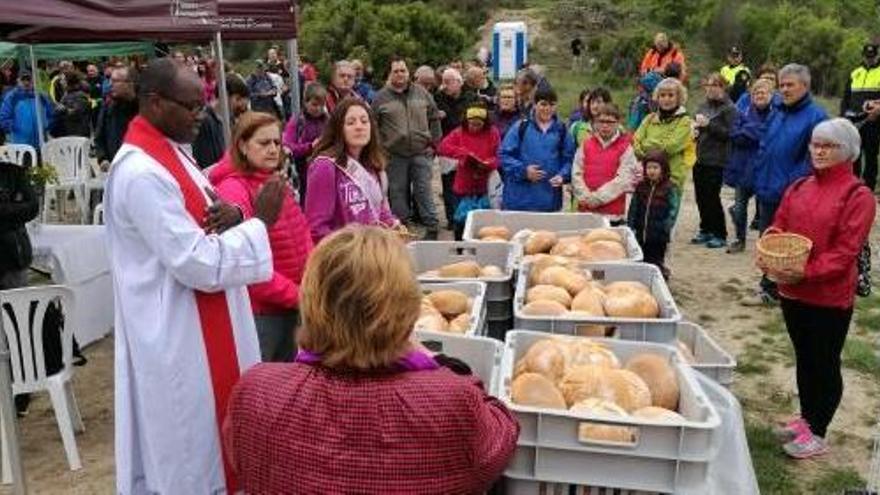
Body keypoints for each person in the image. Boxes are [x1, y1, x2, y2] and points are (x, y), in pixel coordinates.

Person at [104, 58, 286, 494]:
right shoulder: (140, 173)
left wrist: (239, 213)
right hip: (181, 336)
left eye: (202, 103)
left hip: (201, 325)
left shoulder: (168, 154)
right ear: (154, 102)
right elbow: (197, 262)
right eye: (191, 105)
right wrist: (260, 222)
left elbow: (201, 214)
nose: (201, 114)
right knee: (192, 455)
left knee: (216, 441)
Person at [225, 225, 519, 493]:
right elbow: (502, 435)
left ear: (311, 301)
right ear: (408, 307)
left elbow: (239, 456)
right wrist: (435, 359)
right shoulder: (452, 400)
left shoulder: (255, 391)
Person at [760, 118, 876, 459]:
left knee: (824, 363)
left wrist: (806, 272)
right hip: (793, 291)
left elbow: (845, 252)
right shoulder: (799, 187)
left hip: (828, 296)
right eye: (815, 144)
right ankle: (807, 419)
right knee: (804, 358)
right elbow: (780, 223)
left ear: (849, 152)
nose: (820, 151)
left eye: (829, 146)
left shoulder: (859, 195)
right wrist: (770, 239)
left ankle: (819, 431)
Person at [209, 112, 313, 362]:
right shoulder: (233, 189)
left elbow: (302, 234)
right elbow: (245, 263)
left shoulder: (274, 181)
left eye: (276, 143)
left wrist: (312, 280)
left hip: (291, 305)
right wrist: (299, 294)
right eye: (263, 143)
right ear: (243, 146)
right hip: (263, 313)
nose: (273, 149)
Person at [747, 64, 828, 306]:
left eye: (789, 84)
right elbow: (766, 144)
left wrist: (795, 187)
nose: (784, 89)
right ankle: (769, 286)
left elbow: (814, 159)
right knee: (768, 238)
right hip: (767, 186)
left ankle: (778, 290)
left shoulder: (817, 117)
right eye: (781, 85)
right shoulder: (777, 110)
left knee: (787, 244)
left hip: (792, 192)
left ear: (805, 86)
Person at [306, 98, 405, 243]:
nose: (359, 127)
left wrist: (394, 225)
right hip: (345, 258)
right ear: (338, 128)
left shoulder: (373, 166)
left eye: (364, 121)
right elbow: (316, 228)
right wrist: (351, 249)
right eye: (351, 122)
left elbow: (379, 210)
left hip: (373, 254)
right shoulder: (325, 167)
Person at [372, 57, 441, 240]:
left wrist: (434, 144)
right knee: (397, 192)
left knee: (424, 190)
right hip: (394, 155)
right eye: (396, 71)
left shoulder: (422, 93)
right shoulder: (380, 98)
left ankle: (432, 228)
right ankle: (401, 229)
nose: (400, 74)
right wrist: (380, 150)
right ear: (390, 74)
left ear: (409, 73)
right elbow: (373, 127)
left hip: (421, 152)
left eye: (403, 70)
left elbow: (434, 117)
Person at [499, 86, 575, 212]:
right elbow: (504, 155)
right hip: (518, 200)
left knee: (545, 232)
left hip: (549, 200)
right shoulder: (521, 127)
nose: (547, 109)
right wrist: (524, 171)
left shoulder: (562, 130)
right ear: (534, 105)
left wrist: (563, 175)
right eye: (543, 104)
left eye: (552, 104)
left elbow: (569, 159)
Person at [632, 77, 695, 226]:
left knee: (665, 222)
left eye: (671, 95)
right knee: (644, 219)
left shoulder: (685, 122)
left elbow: (672, 146)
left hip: (672, 178)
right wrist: (652, 147)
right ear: (657, 97)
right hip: (647, 177)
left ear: (679, 97)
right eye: (662, 95)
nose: (666, 99)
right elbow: (636, 143)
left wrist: (648, 146)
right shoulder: (649, 119)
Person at [725, 79, 775, 254]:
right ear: (751, 96)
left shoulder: (777, 114)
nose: (760, 95)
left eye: (764, 92)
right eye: (756, 93)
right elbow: (734, 134)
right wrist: (756, 131)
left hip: (764, 170)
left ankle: (764, 245)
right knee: (739, 209)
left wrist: (748, 130)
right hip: (742, 168)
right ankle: (740, 240)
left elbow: (770, 135)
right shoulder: (742, 111)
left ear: (771, 95)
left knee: (765, 212)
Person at [438, 101, 500, 239]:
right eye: (472, 124)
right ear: (466, 121)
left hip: (485, 185)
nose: (474, 127)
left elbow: (498, 155)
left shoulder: (492, 133)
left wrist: (489, 163)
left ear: (485, 123)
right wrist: (463, 154)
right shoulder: (459, 132)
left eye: (479, 124)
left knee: (483, 221)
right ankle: (459, 248)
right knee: (460, 220)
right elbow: (443, 147)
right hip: (464, 184)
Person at [572, 103, 640, 225]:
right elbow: (576, 172)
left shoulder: (625, 147)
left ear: (618, 123)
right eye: (601, 121)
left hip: (611, 213)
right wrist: (585, 196)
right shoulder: (586, 144)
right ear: (595, 122)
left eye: (610, 122)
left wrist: (598, 198)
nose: (605, 125)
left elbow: (624, 179)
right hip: (586, 210)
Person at [691, 73, 736, 249]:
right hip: (700, 156)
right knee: (700, 196)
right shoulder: (703, 105)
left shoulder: (729, 108)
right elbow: (698, 125)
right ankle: (705, 229)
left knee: (712, 197)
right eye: (708, 85)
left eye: (715, 85)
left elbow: (731, 134)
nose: (711, 88)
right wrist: (695, 130)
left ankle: (719, 233)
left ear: (723, 88)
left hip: (717, 160)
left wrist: (709, 125)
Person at [627, 149, 677, 278]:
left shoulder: (669, 188)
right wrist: (630, 225)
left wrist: (666, 226)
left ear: (663, 169)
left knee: (656, 260)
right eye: (649, 167)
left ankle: (659, 278)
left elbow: (673, 209)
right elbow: (633, 207)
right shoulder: (641, 186)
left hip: (658, 234)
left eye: (655, 167)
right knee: (641, 258)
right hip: (640, 231)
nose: (652, 171)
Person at [435, 68, 474, 230]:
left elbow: (462, 120)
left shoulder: (470, 97)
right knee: (449, 184)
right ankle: (452, 219)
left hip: (467, 146)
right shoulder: (438, 98)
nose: (445, 85)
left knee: (467, 184)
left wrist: (448, 116)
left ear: (458, 83)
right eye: (443, 81)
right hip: (448, 148)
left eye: (448, 81)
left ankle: (467, 217)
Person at [841, 42, 880, 192]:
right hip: (853, 121)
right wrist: (843, 115)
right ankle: (853, 187)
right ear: (863, 56)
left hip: (873, 122)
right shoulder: (855, 72)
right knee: (854, 156)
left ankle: (868, 189)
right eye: (867, 56)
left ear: (877, 56)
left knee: (870, 157)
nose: (869, 59)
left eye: (872, 56)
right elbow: (846, 97)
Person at [192, 74, 252, 169]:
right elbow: (206, 163)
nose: (241, 105)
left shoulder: (231, 120)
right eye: (237, 99)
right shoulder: (206, 122)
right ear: (224, 95)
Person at [282, 82, 329, 201]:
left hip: (324, 171)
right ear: (305, 102)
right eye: (314, 104)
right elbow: (288, 147)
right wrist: (310, 147)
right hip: (303, 173)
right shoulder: (297, 122)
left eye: (321, 105)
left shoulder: (327, 120)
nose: (318, 108)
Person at [0, 69, 54, 155]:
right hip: (20, 145)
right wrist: (15, 128)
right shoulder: (12, 97)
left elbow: (51, 114)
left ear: (32, 80)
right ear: (18, 81)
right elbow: (3, 118)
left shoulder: (41, 96)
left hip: (41, 143)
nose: (26, 82)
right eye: (23, 79)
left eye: (28, 79)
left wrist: (46, 126)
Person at [95, 66, 138, 170]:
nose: (110, 84)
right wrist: (102, 158)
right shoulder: (108, 107)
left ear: (130, 83)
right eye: (110, 80)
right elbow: (99, 136)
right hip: (115, 167)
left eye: (115, 81)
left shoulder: (145, 108)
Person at [54, 71, 92, 138]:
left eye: (63, 80)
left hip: (78, 133)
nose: (61, 82)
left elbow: (77, 113)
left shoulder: (80, 96)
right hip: (68, 131)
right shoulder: (67, 94)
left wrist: (64, 109)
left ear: (69, 82)